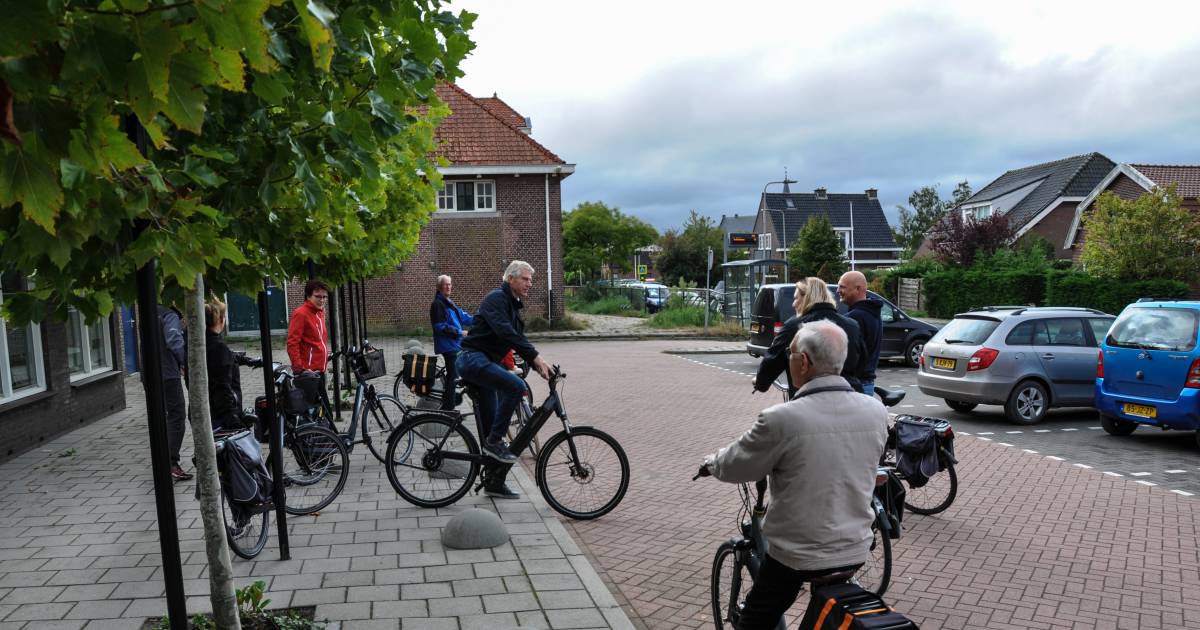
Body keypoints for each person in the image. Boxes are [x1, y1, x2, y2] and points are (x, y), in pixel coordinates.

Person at [700, 321, 888, 629]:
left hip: (798, 553)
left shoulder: (783, 418)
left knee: (756, 619)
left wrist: (712, 463)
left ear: (803, 362)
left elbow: (738, 463)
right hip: (854, 547)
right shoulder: (875, 410)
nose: (788, 359)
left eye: (790, 352)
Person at [457, 260, 551, 499]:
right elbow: (505, 333)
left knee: (490, 427)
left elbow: (517, 339)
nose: (530, 284)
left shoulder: (512, 305)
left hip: (486, 362)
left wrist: (537, 363)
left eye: (531, 279)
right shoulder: (496, 299)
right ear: (511, 279)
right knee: (516, 388)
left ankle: (494, 482)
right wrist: (535, 358)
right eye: (525, 279)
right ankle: (495, 442)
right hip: (472, 359)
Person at [754, 277, 867, 397]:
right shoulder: (852, 325)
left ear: (806, 298)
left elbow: (773, 359)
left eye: (796, 298)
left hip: (810, 397)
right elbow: (862, 361)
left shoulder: (794, 326)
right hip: (849, 395)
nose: (793, 304)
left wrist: (761, 383)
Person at [204, 298, 253, 433]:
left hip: (204, 411)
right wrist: (231, 417)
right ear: (220, 319)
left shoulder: (200, 345)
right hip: (219, 415)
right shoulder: (219, 348)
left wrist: (243, 359)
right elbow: (222, 386)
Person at [158, 303, 192, 481]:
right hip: (168, 375)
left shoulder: (150, 310)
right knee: (177, 416)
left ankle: (161, 460)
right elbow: (173, 340)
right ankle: (171, 462)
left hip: (150, 374)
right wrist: (185, 362)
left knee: (160, 417)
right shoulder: (169, 315)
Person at [429, 275, 474, 411]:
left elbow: (463, 316)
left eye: (450, 284)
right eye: (445, 284)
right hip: (448, 346)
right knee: (453, 376)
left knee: (456, 372)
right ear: (439, 287)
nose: (449, 287)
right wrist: (460, 332)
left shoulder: (448, 301)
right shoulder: (438, 304)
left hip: (455, 343)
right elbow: (439, 327)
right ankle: (448, 409)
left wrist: (481, 319)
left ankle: (453, 399)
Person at [838, 271, 883, 396]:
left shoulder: (855, 317)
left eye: (842, 287)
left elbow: (850, 356)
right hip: (867, 383)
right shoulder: (873, 312)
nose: (838, 291)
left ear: (858, 289)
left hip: (855, 386)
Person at [287, 280, 330, 374]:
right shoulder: (301, 314)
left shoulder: (320, 313)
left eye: (324, 297)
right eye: (318, 296)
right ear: (308, 296)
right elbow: (292, 343)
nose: (322, 300)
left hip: (319, 370)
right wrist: (300, 369)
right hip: (308, 372)